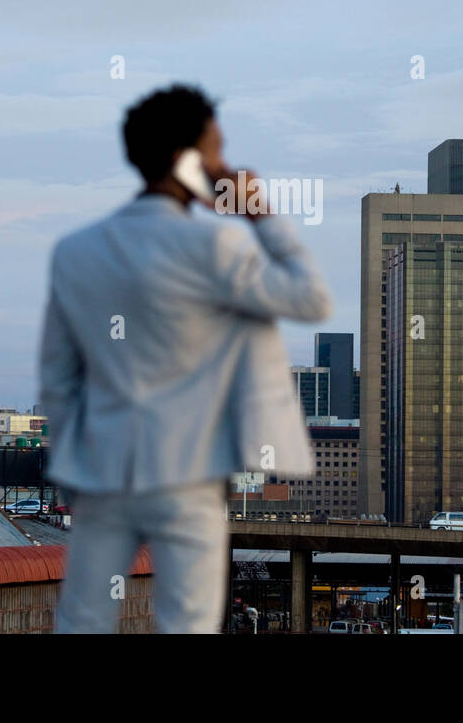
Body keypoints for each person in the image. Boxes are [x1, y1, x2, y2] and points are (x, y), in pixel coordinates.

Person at [38, 83, 332, 633]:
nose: (227, 166)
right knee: (189, 624)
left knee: (82, 619)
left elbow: (58, 378)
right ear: (188, 160)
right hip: (191, 471)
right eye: (215, 152)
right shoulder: (216, 249)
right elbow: (310, 297)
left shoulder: (76, 251)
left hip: (103, 468)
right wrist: (259, 213)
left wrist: (72, 457)